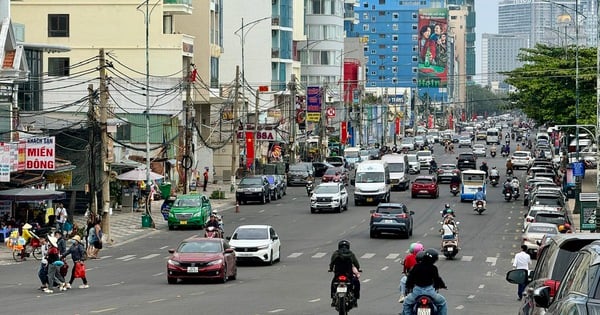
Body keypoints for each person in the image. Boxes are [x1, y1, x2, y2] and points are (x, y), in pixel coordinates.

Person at [403, 249, 448, 315]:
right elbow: (437, 279)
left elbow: (410, 278)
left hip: (417, 292)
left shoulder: (416, 267)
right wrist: (443, 286)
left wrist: (408, 287)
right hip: (430, 292)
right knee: (442, 302)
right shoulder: (433, 268)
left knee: (406, 303)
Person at [329, 240, 361, 307]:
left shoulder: (336, 254)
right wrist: (357, 269)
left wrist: (331, 269)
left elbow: (332, 263)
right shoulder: (351, 254)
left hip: (338, 274)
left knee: (333, 283)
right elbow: (356, 263)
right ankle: (355, 298)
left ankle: (333, 298)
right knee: (356, 282)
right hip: (348, 275)